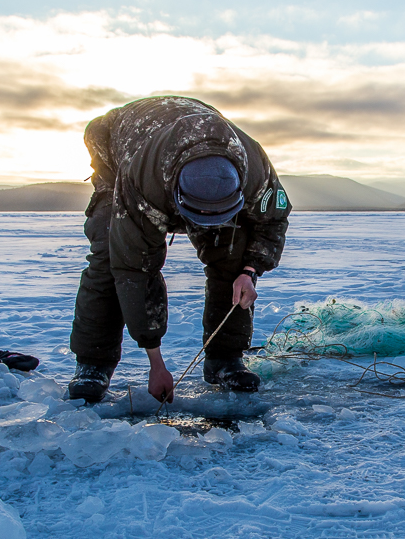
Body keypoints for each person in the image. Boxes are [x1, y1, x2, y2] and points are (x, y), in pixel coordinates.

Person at [67, 96, 292, 404]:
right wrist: (155, 363)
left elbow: (272, 222)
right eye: (200, 219)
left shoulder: (256, 171)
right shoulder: (141, 179)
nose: (209, 226)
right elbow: (133, 269)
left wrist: (249, 272)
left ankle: (225, 360)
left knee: (233, 253)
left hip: (191, 132)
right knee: (110, 256)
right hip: (119, 149)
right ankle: (93, 366)